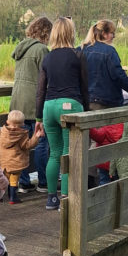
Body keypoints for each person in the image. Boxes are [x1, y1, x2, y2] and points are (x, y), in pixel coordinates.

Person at [35, 16, 89, 211]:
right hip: (70, 105)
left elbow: (40, 90)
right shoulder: (78, 55)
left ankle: (52, 199)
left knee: (55, 154)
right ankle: (66, 198)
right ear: (71, 33)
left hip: (49, 107)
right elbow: (84, 87)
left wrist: (38, 117)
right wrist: (87, 112)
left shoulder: (48, 57)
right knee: (69, 153)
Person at [10, 16, 52, 193]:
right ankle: (43, 182)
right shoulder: (41, 50)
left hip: (17, 102)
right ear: (46, 32)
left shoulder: (20, 48)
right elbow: (47, 77)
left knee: (21, 144)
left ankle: (24, 183)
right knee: (41, 142)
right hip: (34, 102)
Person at [80, 19, 128, 110]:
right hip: (105, 102)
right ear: (104, 34)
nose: (114, 36)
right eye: (112, 33)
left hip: (83, 101)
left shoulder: (80, 49)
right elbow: (119, 76)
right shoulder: (109, 52)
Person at [0, 109, 44, 204]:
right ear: (23, 123)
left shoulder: (2, 132)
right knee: (14, 180)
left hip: (4, 162)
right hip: (16, 162)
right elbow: (27, 146)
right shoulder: (21, 134)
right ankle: (12, 197)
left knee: (5, 179)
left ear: (7, 121)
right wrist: (36, 136)